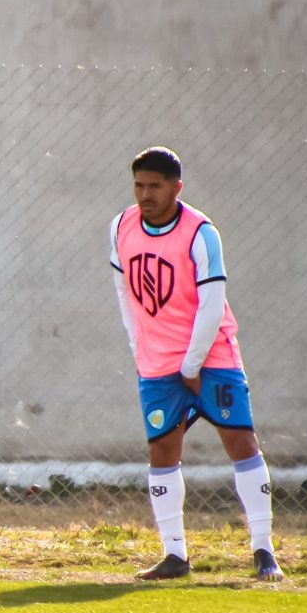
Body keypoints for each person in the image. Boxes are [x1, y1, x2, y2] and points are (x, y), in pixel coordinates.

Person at [111, 146, 281, 582]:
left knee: (241, 443)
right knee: (161, 451)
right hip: (157, 364)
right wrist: (138, 347)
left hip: (212, 357)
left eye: (155, 186)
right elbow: (124, 291)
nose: (145, 195)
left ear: (176, 188)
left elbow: (212, 305)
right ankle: (175, 556)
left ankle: (263, 550)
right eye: (139, 185)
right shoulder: (121, 226)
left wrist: (192, 365)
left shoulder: (201, 233)